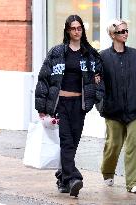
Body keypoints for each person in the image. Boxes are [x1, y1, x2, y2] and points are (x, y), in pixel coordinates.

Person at [35, 14, 103, 197]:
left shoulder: (89, 54)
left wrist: (95, 97)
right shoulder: (57, 52)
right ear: (67, 30)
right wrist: (42, 107)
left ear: (83, 30)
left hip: (79, 105)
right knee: (66, 142)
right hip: (61, 104)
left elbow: (99, 80)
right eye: (73, 28)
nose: (76, 31)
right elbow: (44, 79)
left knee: (72, 143)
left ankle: (62, 177)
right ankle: (74, 178)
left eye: (79, 28)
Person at [98, 19, 136, 193]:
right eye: (121, 31)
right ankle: (107, 171)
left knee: (133, 145)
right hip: (112, 110)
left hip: (134, 109)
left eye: (126, 31)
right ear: (112, 35)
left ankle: (133, 182)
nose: (125, 34)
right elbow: (96, 84)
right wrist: (101, 104)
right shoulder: (102, 58)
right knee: (113, 144)